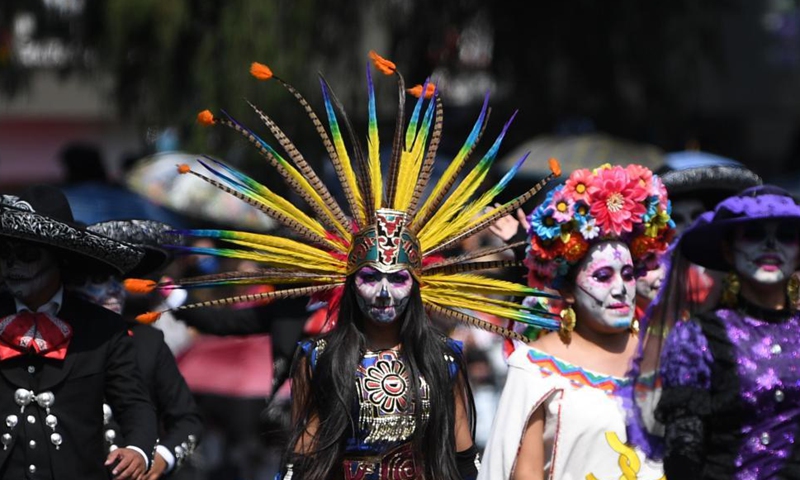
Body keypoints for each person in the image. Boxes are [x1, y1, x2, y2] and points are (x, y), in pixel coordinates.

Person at [127, 50, 562, 480]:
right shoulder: (317, 358)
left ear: (418, 282)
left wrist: (525, 259)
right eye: (370, 277)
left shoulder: (442, 359)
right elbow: (301, 463)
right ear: (349, 282)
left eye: (398, 278)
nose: (385, 291)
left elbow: (464, 460)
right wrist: (178, 297)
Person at [479, 164, 674, 480]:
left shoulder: (669, 357)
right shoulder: (535, 369)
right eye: (602, 275)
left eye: (627, 274)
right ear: (567, 290)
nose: (619, 288)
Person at [629, 184, 800, 479]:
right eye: (754, 233)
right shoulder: (697, 337)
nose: (771, 245)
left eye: (785, 235)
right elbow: (684, 454)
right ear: (728, 249)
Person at [0, 185, 157, 480]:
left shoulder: (103, 328)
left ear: (58, 257)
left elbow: (134, 403)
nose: (12, 265)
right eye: (4, 253)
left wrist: (137, 449)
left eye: (27, 254)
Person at [71, 219, 204, 480]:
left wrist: (161, 458)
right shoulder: (46, 341)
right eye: (97, 279)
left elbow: (188, 421)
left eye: (117, 280)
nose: (113, 290)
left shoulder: (147, 341)